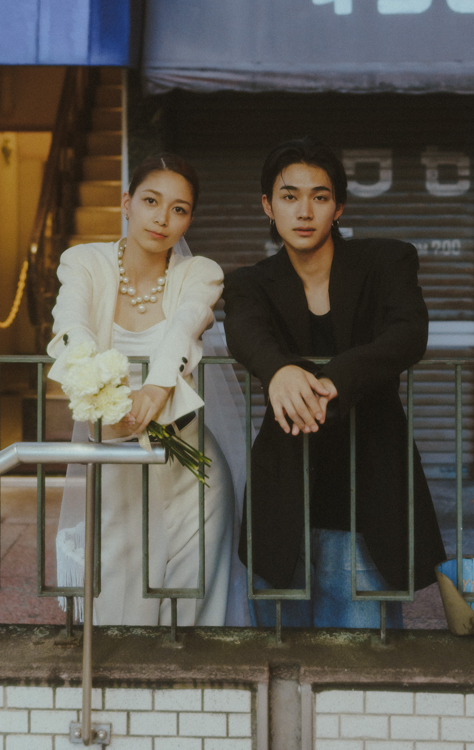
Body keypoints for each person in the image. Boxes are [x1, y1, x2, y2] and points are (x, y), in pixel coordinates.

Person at [223, 137, 446, 628]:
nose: (304, 211)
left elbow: (408, 333)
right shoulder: (249, 283)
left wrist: (333, 379)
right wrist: (279, 369)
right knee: (280, 651)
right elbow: (245, 332)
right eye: (289, 196)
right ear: (268, 206)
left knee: (364, 656)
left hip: (370, 492)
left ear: (338, 207)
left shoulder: (386, 261)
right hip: (284, 498)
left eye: (319, 197)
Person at [47, 154, 242, 627]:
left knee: (194, 611)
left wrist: (156, 388)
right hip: (117, 463)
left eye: (179, 209)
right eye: (151, 201)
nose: (162, 218)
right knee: (119, 607)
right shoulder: (83, 262)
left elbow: (184, 326)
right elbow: (71, 328)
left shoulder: (201, 272)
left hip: (192, 469)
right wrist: (107, 391)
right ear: (126, 203)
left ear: (189, 219)